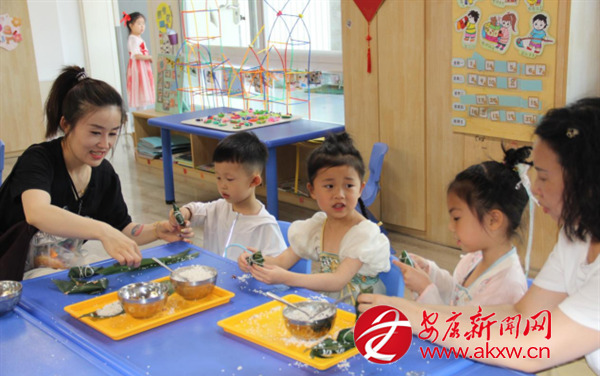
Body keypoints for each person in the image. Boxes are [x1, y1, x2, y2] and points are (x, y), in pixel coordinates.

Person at [358, 98, 600, 376]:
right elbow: (521, 315)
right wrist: (412, 311)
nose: (535, 188)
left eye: (544, 177)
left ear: (586, 181)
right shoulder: (576, 236)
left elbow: (531, 347)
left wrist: (417, 316)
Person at [0, 66, 191, 281]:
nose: (104, 144)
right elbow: (37, 212)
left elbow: (123, 228)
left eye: (112, 133)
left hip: (54, 263)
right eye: (95, 132)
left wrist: (157, 230)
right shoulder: (39, 159)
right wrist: (102, 231)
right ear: (66, 125)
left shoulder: (103, 174)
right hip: (11, 269)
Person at [237, 132, 390, 304]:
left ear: (360, 189)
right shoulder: (317, 227)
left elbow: (338, 280)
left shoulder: (364, 233)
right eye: (329, 186)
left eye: (348, 185)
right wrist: (255, 260)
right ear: (312, 190)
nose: (339, 194)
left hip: (360, 308)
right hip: (329, 301)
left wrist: (286, 277)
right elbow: (281, 261)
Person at [399, 146, 531, 306]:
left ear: (493, 220)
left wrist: (425, 289)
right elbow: (456, 294)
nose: (450, 226)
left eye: (456, 218)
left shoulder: (506, 286)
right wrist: (430, 272)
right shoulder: (476, 257)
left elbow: (457, 322)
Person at [168, 131, 286, 262]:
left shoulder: (265, 225)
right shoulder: (219, 208)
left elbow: (278, 262)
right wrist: (185, 212)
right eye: (218, 177)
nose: (222, 185)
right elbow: (196, 210)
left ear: (254, 181)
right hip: (212, 273)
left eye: (229, 179)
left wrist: (255, 262)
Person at [123, 12, 154, 109]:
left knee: (143, 90)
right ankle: (141, 111)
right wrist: (150, 57)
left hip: (142, 66)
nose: (142, 26)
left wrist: (149, 58)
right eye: (139, 23)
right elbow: (136, 55)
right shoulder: (133, 39)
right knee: (141, 89)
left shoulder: (137, 38)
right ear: (131, 25)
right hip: (138, 68)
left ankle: (142, 110)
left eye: (143, 23)